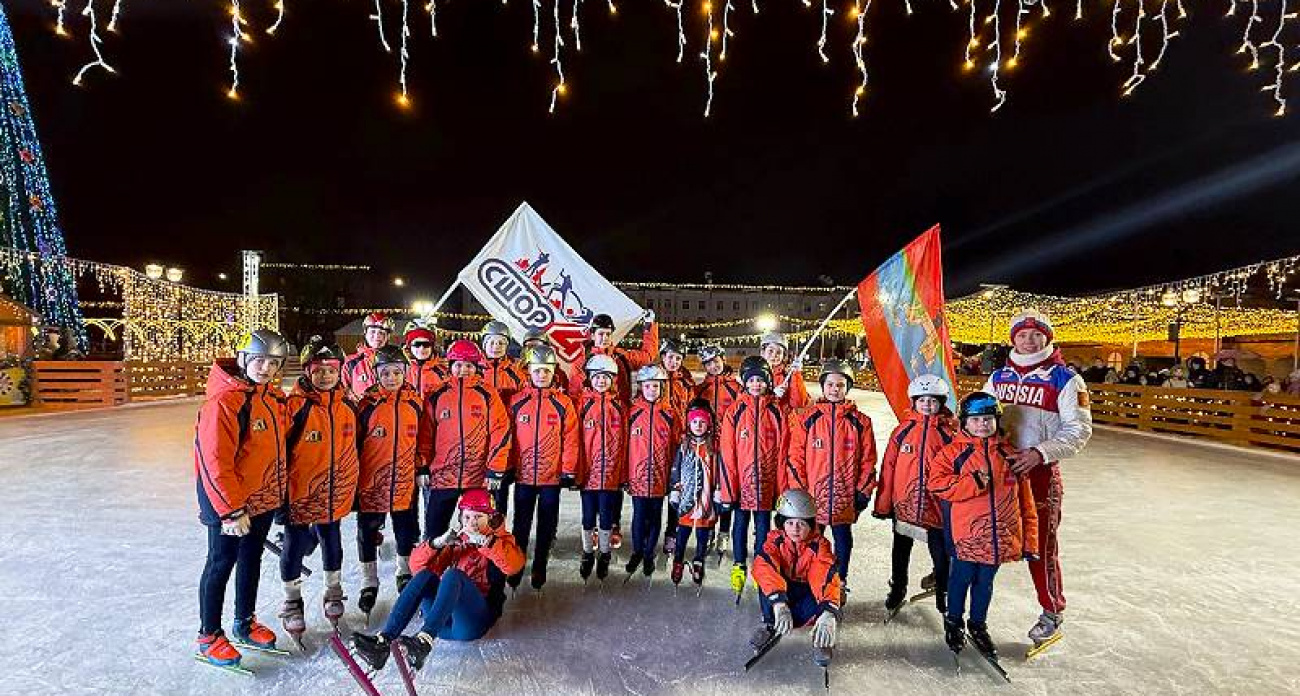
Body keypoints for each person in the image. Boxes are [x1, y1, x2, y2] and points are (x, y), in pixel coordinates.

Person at [984, 309, 1091, 648]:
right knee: (986, 536)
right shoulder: (998, 377)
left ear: (1047, 338)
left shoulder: (1065, 379)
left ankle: (1051, 610)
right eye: (1022, 334)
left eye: (1036, 335)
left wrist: (1039, 452)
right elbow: (980, 415)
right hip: (1000, 471)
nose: (1028, 341)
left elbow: (1079, 429)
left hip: (1040, 474)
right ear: (1012, 338)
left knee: (1040, 545)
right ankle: (967, 600)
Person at [194, 329, 289, 667]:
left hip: (260, 499)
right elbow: (214, 460)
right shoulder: (225, 402)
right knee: (221, 563)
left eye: (273, 363)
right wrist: (231, 511)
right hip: (228, 504)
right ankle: (209, 634)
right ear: (244, 359)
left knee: (251, 560)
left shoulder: (272, 398)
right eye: (260, 360)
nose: (265, 368)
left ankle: (244, 620)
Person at [351, 490, 525, 672]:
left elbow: (514, 566)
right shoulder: (457, 542)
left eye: (478, 518)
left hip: (471, 623)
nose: (471, 523)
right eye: (467, 517)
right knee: (425, 576)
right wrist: (436, 544)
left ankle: (423, 642)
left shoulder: (500, 541)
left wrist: (487, 544)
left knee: (453, 575)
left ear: (491, 519)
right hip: (441, 621)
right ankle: (383, 641)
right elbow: (416, 567)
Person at [929, 392, 1039, 661]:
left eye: (988, 419)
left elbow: (1026, 502)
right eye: (976, 419)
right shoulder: (953, 453)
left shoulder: (1009, 454)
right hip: (967, 535)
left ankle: (978, 624)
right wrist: (974, 482)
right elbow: (937, 484)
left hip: (999, 537)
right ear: (965, 422)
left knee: (985, 583)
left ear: (996, 420)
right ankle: (954, 621)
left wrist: (1030, 541)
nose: (982, 425)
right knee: (960, 579)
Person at [279, 337, 359, 641]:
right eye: (318, 370)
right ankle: (292, 599)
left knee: (332, 541)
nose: (325, 376)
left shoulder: (347, 408)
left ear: (339, 371)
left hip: (334, 492)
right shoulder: (295, 407)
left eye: (331, 369)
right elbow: (279, 451)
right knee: (294, 546)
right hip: (300, 493)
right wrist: (280, 496)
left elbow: (356, 449)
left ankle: (333, 589)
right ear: (307, 371)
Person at [491, 344, 580, 591]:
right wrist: (507, 466)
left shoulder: (563, 403)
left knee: (546, 524)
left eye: (547, 371)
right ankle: (517, 566)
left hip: (552, 478)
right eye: (538, 371)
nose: (542, 375)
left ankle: (540, 564)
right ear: (529, 372)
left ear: (553, 373)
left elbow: (571, 439)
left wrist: (568, 470)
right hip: (524, 477)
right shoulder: (517, 402)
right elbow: (506, 436)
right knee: (521, 524)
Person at [786, 359, 877, 596]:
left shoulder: (860, 422)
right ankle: (807, 576)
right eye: (830, 385)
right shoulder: (807, 419)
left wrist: (862, 491)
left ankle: (840, 578)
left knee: (842, 538)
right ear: (823, 387)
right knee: (811, 540)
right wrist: (800, 492)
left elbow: (868, 460)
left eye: (840, 385)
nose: (834, 389)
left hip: (844, 496)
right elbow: (796, 457)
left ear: (847, 387)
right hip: (813, 497)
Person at [873, 374, 957, 615]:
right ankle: (898, 587)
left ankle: (943, 590)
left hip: (936, 508)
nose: (928, 405)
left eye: (933, 401)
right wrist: (883, 504)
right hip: (904, 505)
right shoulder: (902, 431)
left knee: (941, 554)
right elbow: (888, 467)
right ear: (914, 402)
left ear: (942, 402)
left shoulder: (949, 434)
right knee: (900, 550)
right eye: (923, 401)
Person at [416, 339, 510, 541]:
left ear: (476, 367)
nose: (463, 370)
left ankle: (476, 570)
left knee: (478, 532)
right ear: (450, 366)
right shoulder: (436, 395)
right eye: (458, 365)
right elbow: (425, 436)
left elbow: (500, 431)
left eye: (469, 365)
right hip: (443, 475)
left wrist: (495, 468)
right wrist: (422, 466)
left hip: (476, 477)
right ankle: (431, 570)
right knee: (434, 532)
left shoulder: (487, 394)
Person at [354, 345, 424, 615]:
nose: (392, 378)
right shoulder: (366, 405)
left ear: (405, 373)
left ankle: (404, 570)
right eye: (385, 373)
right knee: (368, 532)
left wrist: (421, 468)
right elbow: (354, 444)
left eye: (397, 372)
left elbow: (422, 441)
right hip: (371, 481)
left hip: (404, 480)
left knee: (405, 528)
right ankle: (369, 580)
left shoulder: (415, 403)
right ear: (376, 375)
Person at [720, 356, 788, 598]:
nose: (756, 384)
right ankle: (739, 565)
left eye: (761, 380)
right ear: (745, 382)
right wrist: (729, 489)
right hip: (741, 485)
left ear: (768, 381)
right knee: (740, 524)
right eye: (752, 380)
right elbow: (727, 452)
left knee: (763, 527)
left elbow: (782, 453)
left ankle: (762, 566)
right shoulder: (735, 411)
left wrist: (782, 491)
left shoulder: (777, 411)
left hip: (767, 485)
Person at [748, 490, 841, 668]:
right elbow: (763, 565)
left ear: (811, 525)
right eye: (790, 523)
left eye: (801, 524)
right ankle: (769, 623)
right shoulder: (775, 541)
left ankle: (821, 637)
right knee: (766, 579)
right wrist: (779, 604)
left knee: (825, 600)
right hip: (785, 594)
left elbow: (824, 573)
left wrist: (829, 611)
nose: (795, 529)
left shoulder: (819, 546)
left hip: (806, 593)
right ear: (782, 524)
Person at [624, 364, 680, 579]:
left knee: (655, 517)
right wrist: (625, 476)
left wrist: (673, 477)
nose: (651, 390)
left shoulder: (669, 414)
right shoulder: (632, 412)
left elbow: (676, 447)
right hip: (637, 476)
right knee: (639, 517)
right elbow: (624, 446)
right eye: (648, 386)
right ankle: (638, 551)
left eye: (655, 386)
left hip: (660, 476)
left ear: (661, 388)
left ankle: (649, 553)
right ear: (641, 387)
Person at [576, 354, 627, 581]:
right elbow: (574, 439)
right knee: (588, 516)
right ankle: (588, 552)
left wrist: (624, 473)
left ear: (613, 379)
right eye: (597, 377)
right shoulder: (582, 403)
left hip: (611, 475)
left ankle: (604, 553)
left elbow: (626, 442)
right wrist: (574, 471)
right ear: (589, 378)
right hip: (588, 474)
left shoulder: (620, 406)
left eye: (606, 377)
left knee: (607, 517)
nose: (601, 382)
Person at [694, 343, 741, 558]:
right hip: (707, 447)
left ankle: (724, 531)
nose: (713, 366)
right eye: (708, 364)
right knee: (708, 489)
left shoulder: (736, 387)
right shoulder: (702, 389)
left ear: (723, 359)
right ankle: (709, 528)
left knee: (726, 492)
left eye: (715, 361)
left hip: (729, 447)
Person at [668, 399, 721, 587]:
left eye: (702, 422)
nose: (698, 426)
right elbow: (675, 468)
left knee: (702, 536)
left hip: (706, 500)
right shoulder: (683, 445)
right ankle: (678, 561)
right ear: (689, 424)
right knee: (682, 534)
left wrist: (719, 490)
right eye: (694, 422)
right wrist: (675, 489)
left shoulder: (713, 447)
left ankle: (699, 562)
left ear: (708, 424)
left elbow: (719, 470)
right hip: (686, 501)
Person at [478, 320, 526, 514]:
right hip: (478, 442)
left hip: (505, 443)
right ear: (484, 344)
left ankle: (498, 537)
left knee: (500, 496)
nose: (496, 347)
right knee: (477, 496)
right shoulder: (475, 371)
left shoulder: (516, 375)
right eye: (492, 342)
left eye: (501, 343)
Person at [659, 338, 695, 555]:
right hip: (658, 444)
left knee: (677, 491)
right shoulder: (654, 378)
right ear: (662, 357)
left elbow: (691, 412)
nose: (673, 361)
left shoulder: (686, 383)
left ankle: (671, 533)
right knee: (653, 493)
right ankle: (647, 531)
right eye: (670, 357)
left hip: (679, 446)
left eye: (678, 358)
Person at [343, 312, 394, 401]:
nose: (377, 336)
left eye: (382, 333)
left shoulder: (396, 361)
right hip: (360, 412)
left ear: (388, 337)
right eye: (373, 332)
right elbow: (344, 391)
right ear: (365, 333)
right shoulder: (350, 362)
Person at [761, 332, 810, 412]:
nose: (774, 355)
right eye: (770, 351)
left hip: (784, 422)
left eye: (779, 352)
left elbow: (799, 403)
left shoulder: (788, 375)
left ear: (783, 355)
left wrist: (796, 374)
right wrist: (771, 395)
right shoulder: (755, 375)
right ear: (763, 352)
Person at [404, 321, 448, 397]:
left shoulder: (443, 372)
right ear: (409, 347)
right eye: (417, 344)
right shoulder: (402, 369)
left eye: (426, 344)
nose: (421, 348)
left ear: (432, 347)